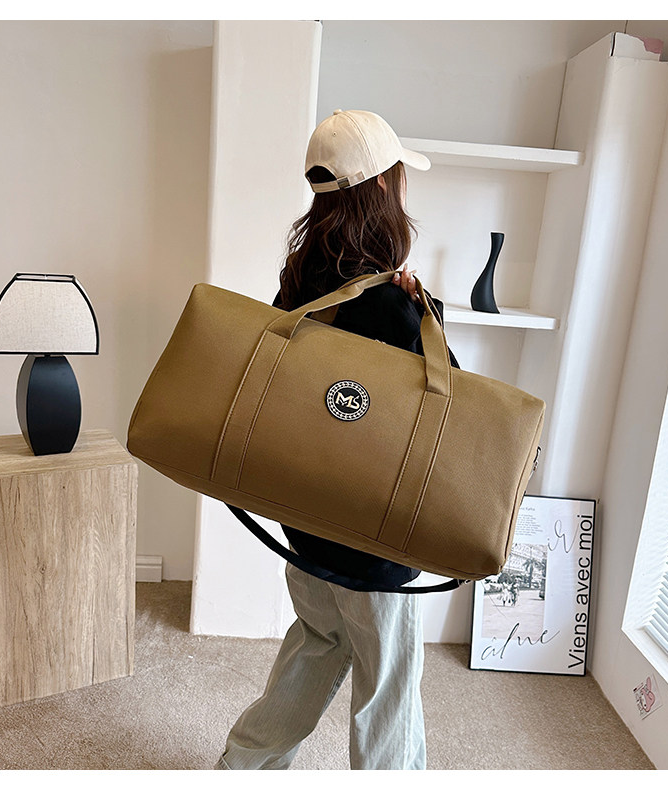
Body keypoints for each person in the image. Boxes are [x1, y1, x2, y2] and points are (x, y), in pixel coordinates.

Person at [215, 109, 458, 771]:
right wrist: (428, 314)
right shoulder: (396, 305)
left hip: (308, 523)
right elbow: (449, 409)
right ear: (381, 186)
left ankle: (244, 767)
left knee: (316, 647)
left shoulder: (300, 286)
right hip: (374, 541)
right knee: (388, 690)